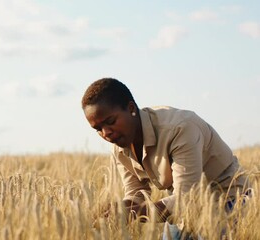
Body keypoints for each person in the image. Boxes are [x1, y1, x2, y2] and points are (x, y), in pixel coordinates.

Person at [81, 78, 250, 239]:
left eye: (110, 121)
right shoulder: (119, 144)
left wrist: (134, 213)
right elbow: (136, 193)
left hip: (229, 200)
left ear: (131, 109)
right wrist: (116, 211)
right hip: (180, 203)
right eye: (98, 128)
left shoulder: (179, 129)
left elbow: (187, 200)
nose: (106, 133)